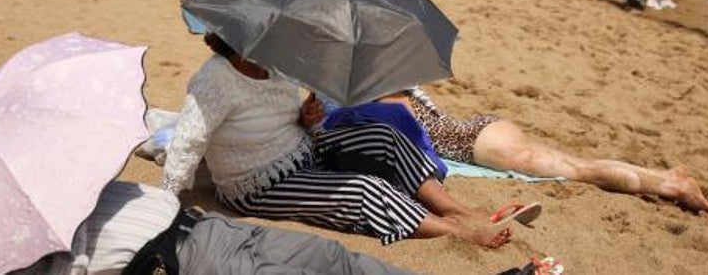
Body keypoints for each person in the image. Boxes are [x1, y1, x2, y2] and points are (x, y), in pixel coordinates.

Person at [162, 33, 516, 249]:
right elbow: (187, 143)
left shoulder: (276, 64)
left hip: (303, 149)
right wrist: (166, 203)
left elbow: (285, 116)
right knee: (363, 189)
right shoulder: (213, 81)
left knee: (384, 137)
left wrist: (306, 116)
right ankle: (455, 231)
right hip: (258, 184)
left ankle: (458, 210)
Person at [364, 89, 708, 214]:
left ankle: (669, 186)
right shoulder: (385, 86)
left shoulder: (386, 92)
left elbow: (410, 131)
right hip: (478, 135)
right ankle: (667, 179)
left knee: (579, 169)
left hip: (473, 142)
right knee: (576, 165)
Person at [14, 180, 419, 275]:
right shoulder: (26, 247)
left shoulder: (80, 178)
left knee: (332, 257)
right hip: (189, 261)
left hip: (211, 227)